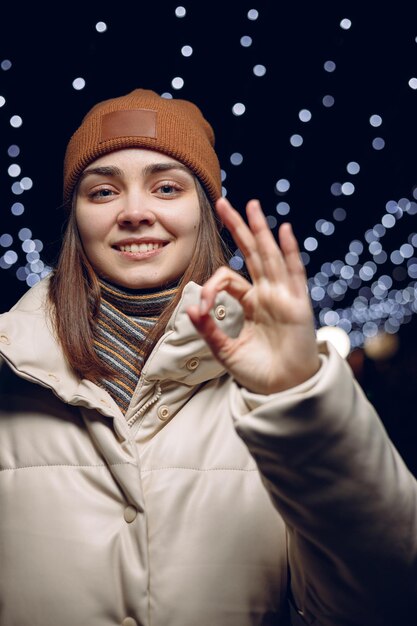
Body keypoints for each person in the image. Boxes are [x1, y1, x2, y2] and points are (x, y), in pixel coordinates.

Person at [0, 88, 416, 626]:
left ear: (205, 209)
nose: (134, 212)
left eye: (167, 187)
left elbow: (381, 601)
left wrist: (299, 397)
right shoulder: (10, 369)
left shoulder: (276, 382)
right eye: (102, 192)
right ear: (76, 217)